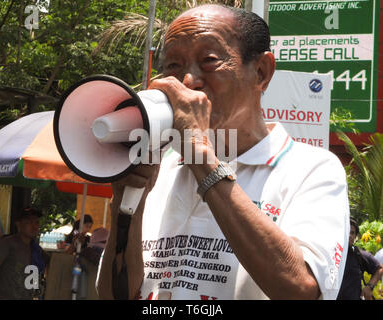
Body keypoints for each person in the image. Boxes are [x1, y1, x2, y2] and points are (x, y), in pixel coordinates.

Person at [97, 4, 350, 300]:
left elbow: (301, 289)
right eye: (173, 66)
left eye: (209, 60)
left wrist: (202, 159)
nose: (188, 81)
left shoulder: (311, 169)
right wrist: (127, 205)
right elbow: (114, 295)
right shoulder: (160, 168)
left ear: (261, 72)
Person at [0, 207, 49, 300]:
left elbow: (54, 262)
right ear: (18, 225)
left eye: (37, 222)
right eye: (29, 222)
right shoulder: (8, 243)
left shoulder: (36, 249)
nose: (34, 226)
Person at [337, 218, 383, 300]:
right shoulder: (330, 255)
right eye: (346, 232)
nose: (349, 235)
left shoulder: (359, 255)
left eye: (352, 233)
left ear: (355, 237)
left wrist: (370, 286)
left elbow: (379, 268)